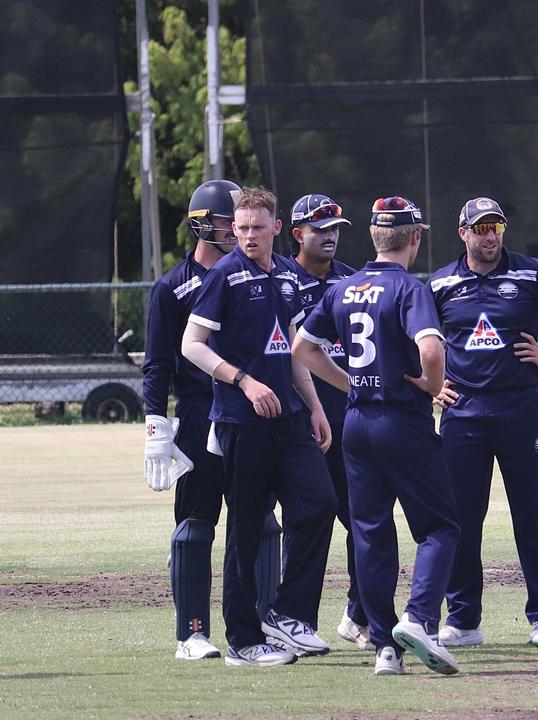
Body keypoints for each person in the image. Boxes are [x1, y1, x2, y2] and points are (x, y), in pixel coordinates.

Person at [293, 195, 461, 677]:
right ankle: (420, 618)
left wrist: (349, 384)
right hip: (401, 422)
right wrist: (431, 385)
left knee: (371, 536)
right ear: (415, 238)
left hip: (357, 422)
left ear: (372, 236)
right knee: (439, 527)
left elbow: (303, 347)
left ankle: (386, 648)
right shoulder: (410, 288)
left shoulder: (343, 288)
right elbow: (430, 349)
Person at [181, 187, 338, 667]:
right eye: (240, 228)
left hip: (290, 419)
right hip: (240, 422)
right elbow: (193, 344)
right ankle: (242, 642)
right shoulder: (224, 276)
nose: (246, 235)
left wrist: (313, 405)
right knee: (246, 529)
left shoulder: (290, 276)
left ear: (275, 228)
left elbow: (292, 349)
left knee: (319, 503)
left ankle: (286, 614)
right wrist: (244, 382)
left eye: (255, 227)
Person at [142, 179, 280, 661]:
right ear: (202, 223)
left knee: (260, 522)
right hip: (202, 410)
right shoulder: (173, 286)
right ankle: (192, 632)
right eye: (226, 221)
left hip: (252, 411)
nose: (236, 230)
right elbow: (158, 362)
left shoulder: (260, 274)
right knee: (197, 524)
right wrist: (156, 424)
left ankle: (261, 623)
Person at [427, 197, 538, 646]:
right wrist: (431, 384)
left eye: (496, 227)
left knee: (532, 514)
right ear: (462, 232)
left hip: (520, 408)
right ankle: (463, 621)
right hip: (463, 413)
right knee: (463, 518)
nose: (489, 236)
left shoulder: (531, 272)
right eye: (480, 228)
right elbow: (415, 336)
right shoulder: (441, 283)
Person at [279, 193, 370, 651]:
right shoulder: (280, 281)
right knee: (306, 519)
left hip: (350, 421)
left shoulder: (352, 283)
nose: (329, 236)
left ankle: (360, 614)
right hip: (301, 424)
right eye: (319, 229)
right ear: (298, 234)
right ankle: (295, 620)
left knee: (363, 520)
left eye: (335, 228)